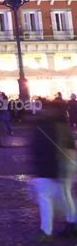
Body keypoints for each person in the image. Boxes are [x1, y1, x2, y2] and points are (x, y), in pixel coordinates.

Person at [30, 103, 76, 241]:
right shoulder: (59, 125)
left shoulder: (50, 126)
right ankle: (71, 223)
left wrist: (53, 171)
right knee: (63, 196)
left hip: (53, 168)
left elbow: (53, 149)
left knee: (46, 199)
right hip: (57, 167)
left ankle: (47, 231)